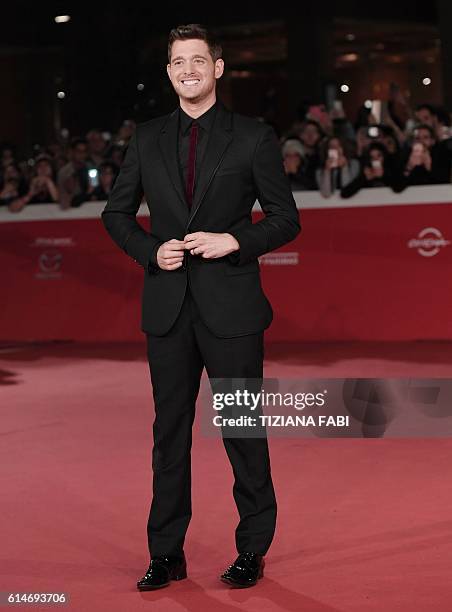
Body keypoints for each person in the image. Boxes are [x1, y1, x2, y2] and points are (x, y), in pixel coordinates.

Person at [101, 23, 301, 591]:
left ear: (217, 67)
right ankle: (165, 553)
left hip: (232, 306)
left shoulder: (253, 136)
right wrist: (149, 248)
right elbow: (116, 215)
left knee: (242, 428)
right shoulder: (145, 138)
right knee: (170, 434)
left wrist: (236, 241)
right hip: (167, 307)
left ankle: (252, 550)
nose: (187, 69)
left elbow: (286, 218)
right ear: (169, 73)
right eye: (177, 62)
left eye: (197, 59)